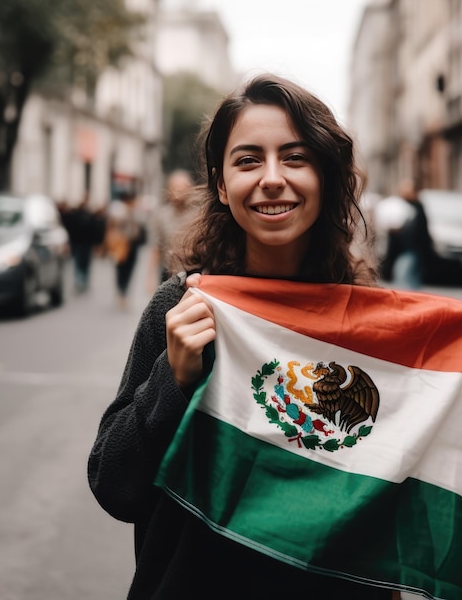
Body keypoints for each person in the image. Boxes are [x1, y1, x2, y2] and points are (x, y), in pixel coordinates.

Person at [88, 74, 415, 599]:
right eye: (247, 160)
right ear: (221, 185)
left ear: (326, 177)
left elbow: (385, 503)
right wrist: (170, 380)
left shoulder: (368, 323)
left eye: (294, 157)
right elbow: (115, 487)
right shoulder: (182, 308)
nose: (271, 178)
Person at [145, 169, 199, 293]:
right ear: (169, 189)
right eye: (175, 187)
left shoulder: (198, 214)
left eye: (183, 187)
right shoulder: (161, 216)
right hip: (168, 273)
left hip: (194, 274)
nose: (179, 191)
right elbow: (156, 247)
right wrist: (150, 276)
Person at [380, 178, 431, 289]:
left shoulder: (415, 207)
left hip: (410, 250)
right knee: (408, 279)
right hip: (407, 250)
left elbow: (421, 232)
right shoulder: (401, 206)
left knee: (404, 280)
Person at [104, 189, 146, 310]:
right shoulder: (120, 211)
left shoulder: (137, 212)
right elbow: (114, 225)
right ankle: (121, 291)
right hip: (122, 244)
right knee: (121, 268)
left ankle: (124, 291)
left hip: (133, 244)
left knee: (130, 269)